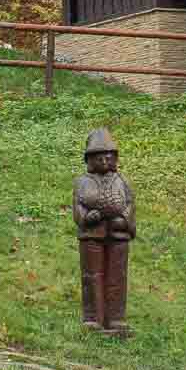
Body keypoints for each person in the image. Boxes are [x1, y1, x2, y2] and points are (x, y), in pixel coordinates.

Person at [74, 128, 136, 335]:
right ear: (89, 159)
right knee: (92, 275)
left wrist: (124, 220)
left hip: (118, 236)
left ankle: (116, 317)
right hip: (92, 235)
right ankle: (93, 317)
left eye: (108, 157)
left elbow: (130, 204)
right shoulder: (82, 182)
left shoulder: (123, 181)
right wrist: (86, 218)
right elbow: (77, 209)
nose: (104, 161)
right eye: (98, 157)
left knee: (117, 275)